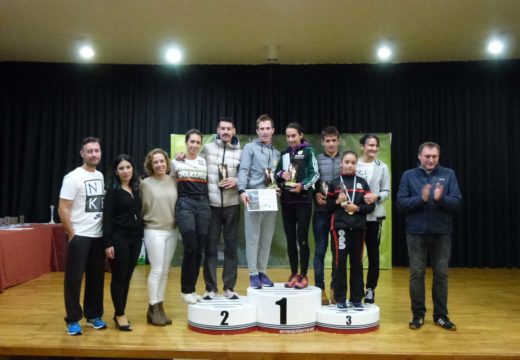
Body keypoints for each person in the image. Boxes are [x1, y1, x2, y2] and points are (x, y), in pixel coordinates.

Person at [397, 141, 462, 331]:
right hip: (415, 233)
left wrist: (441, 199)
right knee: (417, 274)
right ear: (419, 156)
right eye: (427, 156)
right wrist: (421, 199)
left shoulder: (448, 174)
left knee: (441, 275)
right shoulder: (408, 176)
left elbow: (457, 203)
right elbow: (401, 204)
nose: (431, 160)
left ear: (438, 157)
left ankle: (440, 316)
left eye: (434, 156)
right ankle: (418, 315)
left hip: (442, 232)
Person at [58, 136, 106, 336]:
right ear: (82, 153)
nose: (94, 154)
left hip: (98, 236)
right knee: (74, 279)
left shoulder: (101, 176)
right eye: (90, 151)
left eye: (96, 150)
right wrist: (71, 233)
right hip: (80, 236)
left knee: (96, 279)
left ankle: (93, 315)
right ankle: (72, 319)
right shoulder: (73, 177)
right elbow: (63, 208)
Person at [201, 117, 242, 300]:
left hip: (232, 205)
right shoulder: (208, 149)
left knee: (231, 247)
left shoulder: (241, 152)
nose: (225, 132)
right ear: (217, 130)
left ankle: (229, 287)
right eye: (222, 128)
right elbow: (194, 163)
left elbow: (246, 174)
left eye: (229, 129)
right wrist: (181, 157)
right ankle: (210, 288)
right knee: (210, 247)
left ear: (234, 131)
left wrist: (237, 181)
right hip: (212, 205)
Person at [327, 151, 374, 309]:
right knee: (340, 263)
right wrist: (336, 201)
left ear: (356, 165)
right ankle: (340, 298)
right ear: (341, 163)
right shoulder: (334, 183)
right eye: (346, 162)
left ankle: (356, 298)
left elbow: (370, 206)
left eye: (353, 162)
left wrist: (358, 208)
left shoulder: (362, 183)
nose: (349, 165)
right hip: (340, 228)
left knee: (357, 263)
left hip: (358, 228)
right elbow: (327, 207)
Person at [237, 114, 281, 289]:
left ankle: (262, 272)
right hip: (253, 196)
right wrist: (241, 190)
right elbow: (244, 170)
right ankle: (253, 274)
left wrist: (279, 187)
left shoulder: (276, 153)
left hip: (270, 198)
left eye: (267, 128)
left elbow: (277, 177)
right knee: (253, 237)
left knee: (266, 237)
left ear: (272, 130)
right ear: (257, 131)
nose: (264, 132)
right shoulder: (249, 148)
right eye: (261, 129)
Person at [275, 122, 319, 289]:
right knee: (290, 239)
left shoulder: (309, 152)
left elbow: (314, 174)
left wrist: (303, 185)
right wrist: (281, 174)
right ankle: (293, 273)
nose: (291, 139)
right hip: (287, 202)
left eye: (294, 135)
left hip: (303, 202)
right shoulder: (284, 153)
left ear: (300, 135)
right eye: (288, 136)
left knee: (302, 239)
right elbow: (276, 174)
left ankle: (304, 275)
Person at [103, 154, 144, 331]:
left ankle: (120, 312)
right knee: (119, 278)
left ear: (133, 168)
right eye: (121, 168)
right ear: (116, 171)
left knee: (127, 277)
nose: (125, 171)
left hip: (135, 238)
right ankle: (120, 314)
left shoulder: (136, 188)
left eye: (128, 167)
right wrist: (108, 243)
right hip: (118, 238)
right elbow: (107, 218)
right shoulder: (113, 190)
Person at [172, 129, 212, 304]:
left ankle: (192, 290)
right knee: (190, 247)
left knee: (199, 249)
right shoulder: (175, 162)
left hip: (203, 205)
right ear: (186, 143)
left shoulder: (204, 161)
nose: (194, 145)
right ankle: (185, 290)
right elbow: (170, 184)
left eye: (197, 142)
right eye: (192, 142)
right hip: (185, 204)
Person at [140, 148, 178, 326]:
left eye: (162, 161)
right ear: (150, 165)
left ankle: (158, 307)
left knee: (165, 271)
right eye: (155, 162)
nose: (159, 164)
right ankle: (153, 306)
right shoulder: (144, 184)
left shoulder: (174, 181)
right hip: (153, 230)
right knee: (156, 270)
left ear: (167, 162)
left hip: (172, 230)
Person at [356, 134, 391, 304]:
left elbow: (387, 191)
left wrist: (376, 196)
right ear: (362, 146)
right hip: (354, 216)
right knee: (355, 254)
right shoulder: (353, 164)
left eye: (376, 146)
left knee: (373, 254)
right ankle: (356, 287)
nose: (373, 149)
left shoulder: (382, 167)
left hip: (374, 216)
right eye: (370, 145)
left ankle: (370, 289)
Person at [313, 126, 342, 305]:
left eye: (334, 140)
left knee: (338, 253)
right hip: (321, 212)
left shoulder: (345, 160)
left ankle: (334, 288)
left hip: (340, 213)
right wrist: (315, 194)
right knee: (320, 251)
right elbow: (311, 182)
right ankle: (320, 289)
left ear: (338, 141)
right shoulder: (316, 160)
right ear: (322, 142)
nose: (331, 144)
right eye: (327, 141)